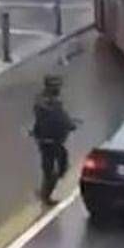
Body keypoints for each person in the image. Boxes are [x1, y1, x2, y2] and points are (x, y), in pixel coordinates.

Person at [31, 75, 78, 205]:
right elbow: (58, 116)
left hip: (50, 139)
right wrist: (69, 124)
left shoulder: (47, 100)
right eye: (56, 86)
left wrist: (69, 123)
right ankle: (45, 195)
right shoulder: (48, 103)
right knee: (53, 168)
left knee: (57, 165)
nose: (58, 88)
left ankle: (45, 191)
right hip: (49, 140)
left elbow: (61, 115)